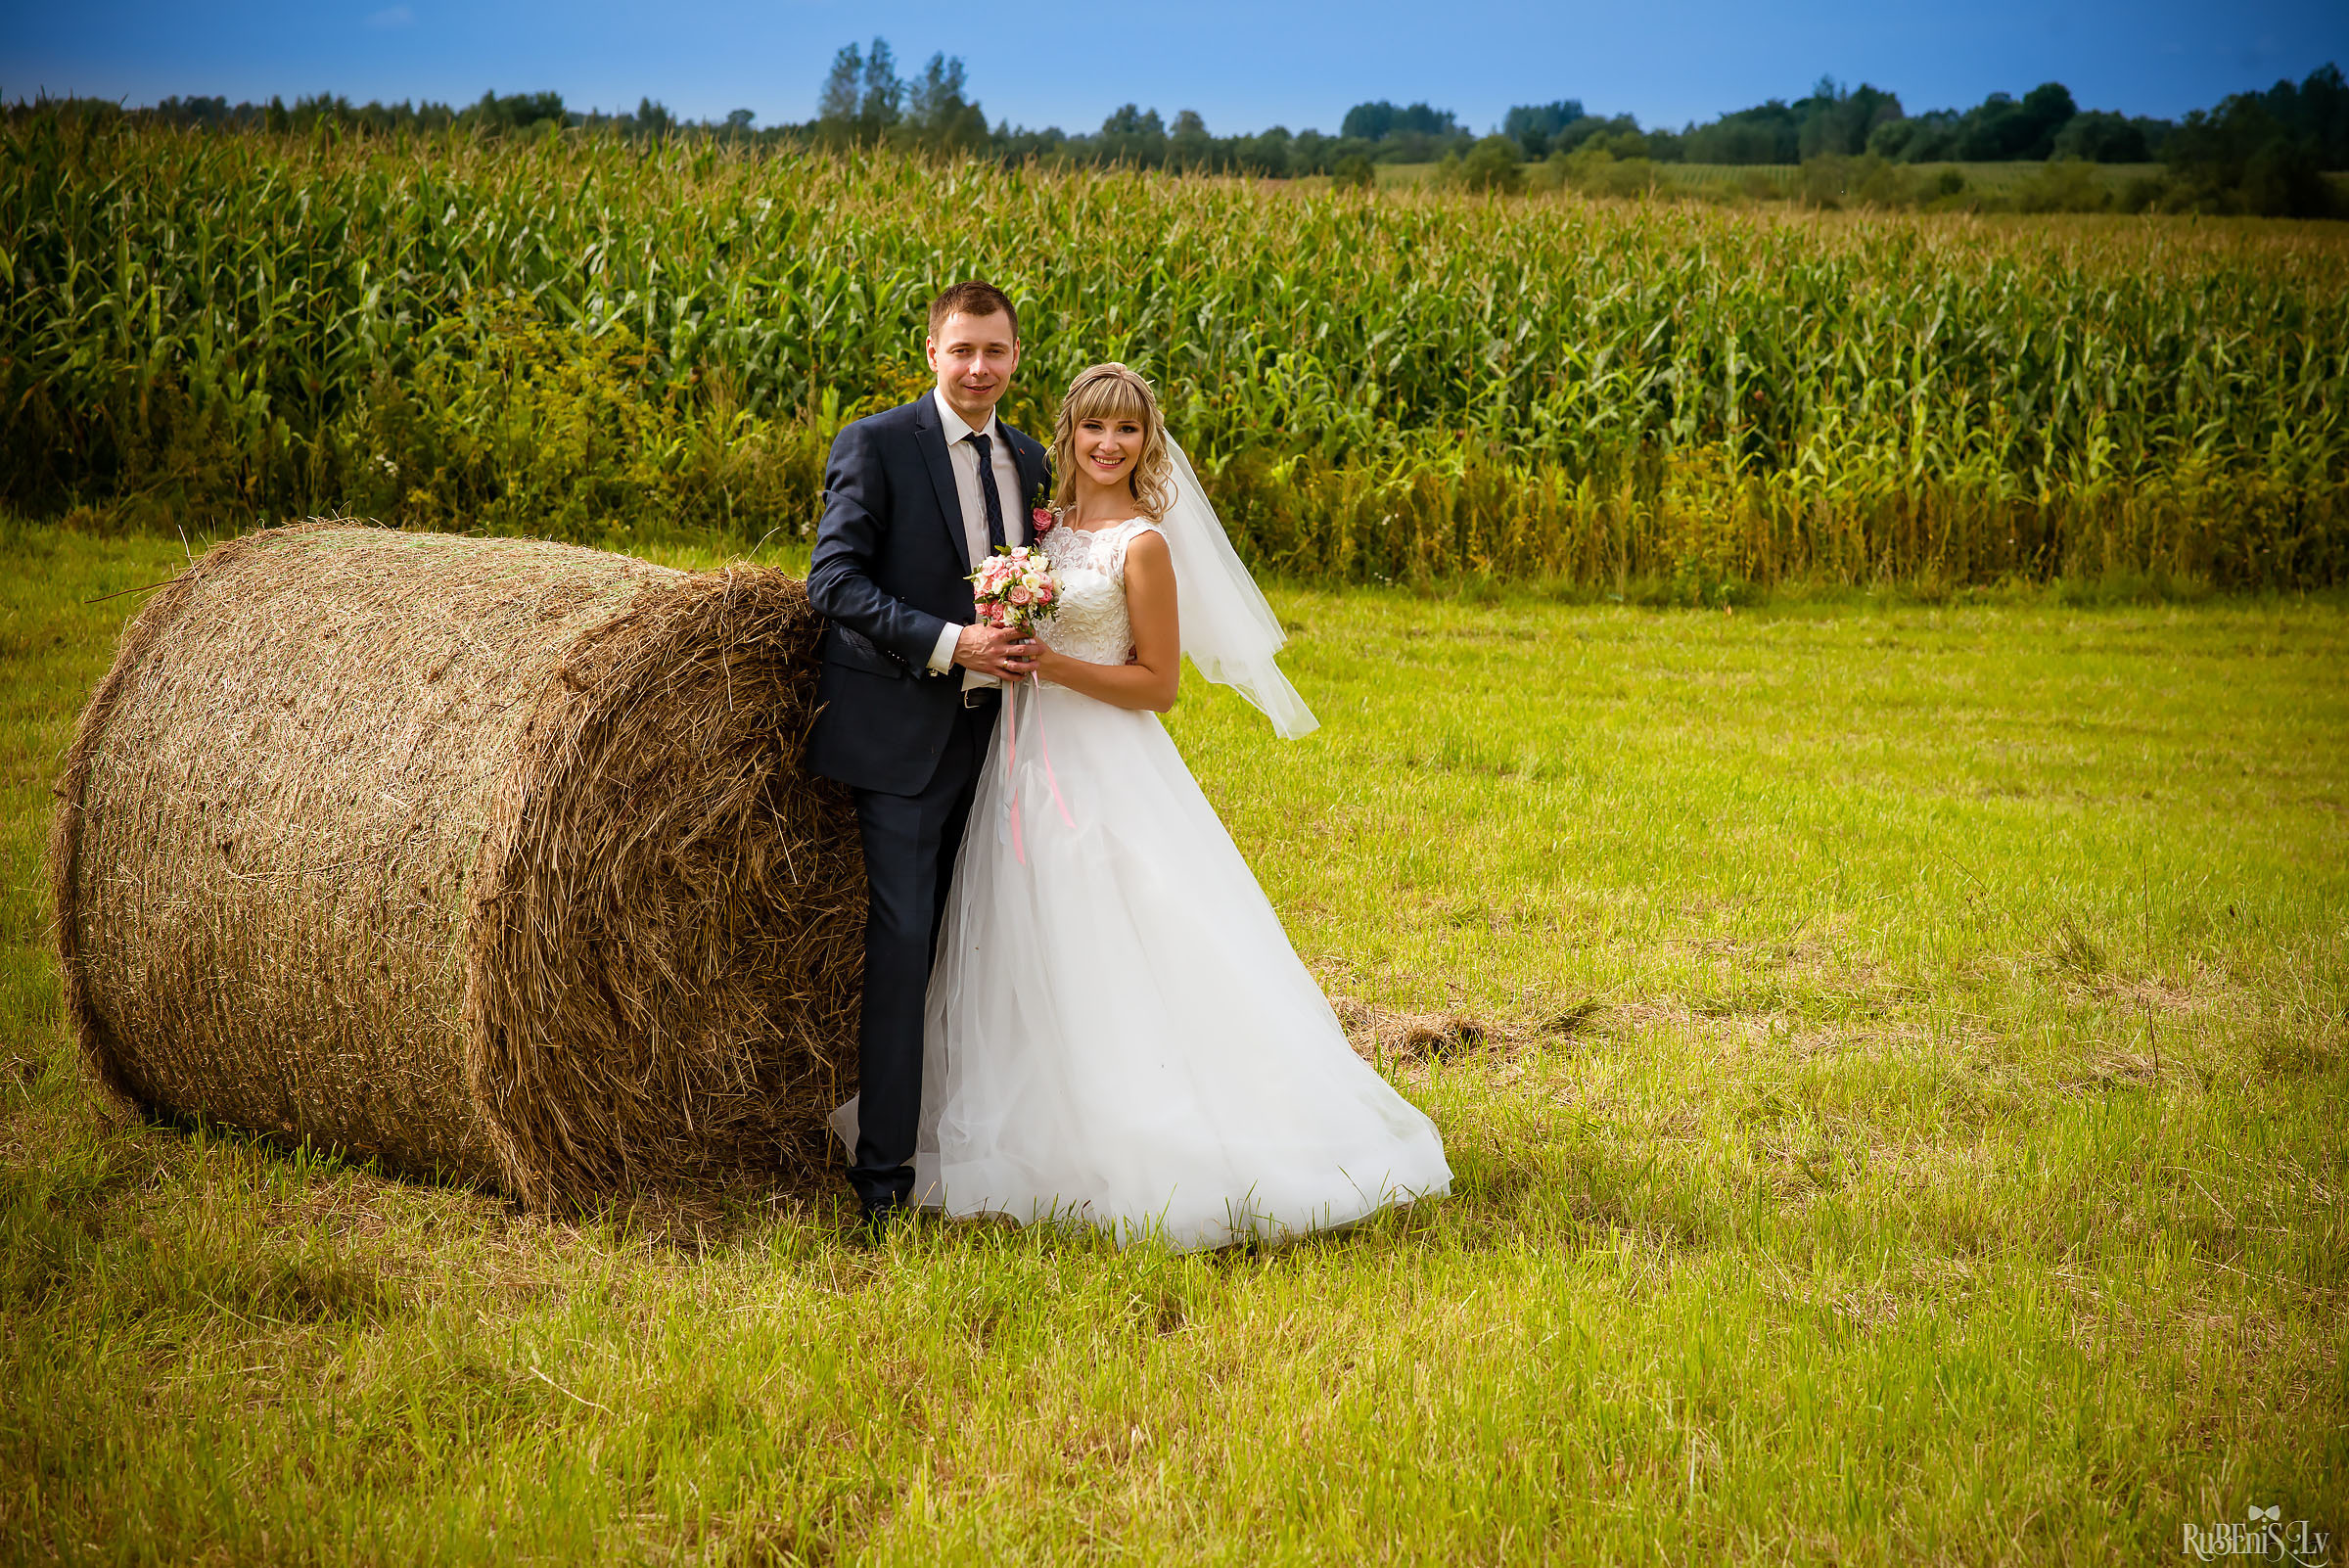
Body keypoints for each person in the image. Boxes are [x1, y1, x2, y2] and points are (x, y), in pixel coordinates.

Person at [829, 363, 1452, 1251]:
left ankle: (1155, 1135)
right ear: (1069, 436)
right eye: (1094, 430)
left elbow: (1157, 686)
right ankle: (1036, 1126)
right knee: (1022, 933)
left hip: (1103, 762)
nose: (1109, 446)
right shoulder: (1042, 525)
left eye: (1127, 432)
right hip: (1019, 757)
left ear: (1147, 443)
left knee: (1116, 935)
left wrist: (1049, 664)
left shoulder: (1143, 543)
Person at [805, 280, 1050, 1232]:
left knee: (992, 953)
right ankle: (885, 1182)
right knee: (906, 951)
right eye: (963, 351)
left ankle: (983, 1147)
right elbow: (834, 582)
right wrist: (953, 644)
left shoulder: (1028, 457)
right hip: (906, 741)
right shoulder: (876, 444)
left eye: (995, 351)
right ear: (933, 353)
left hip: (1008, 746)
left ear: (1015, 356)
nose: (979, 367)